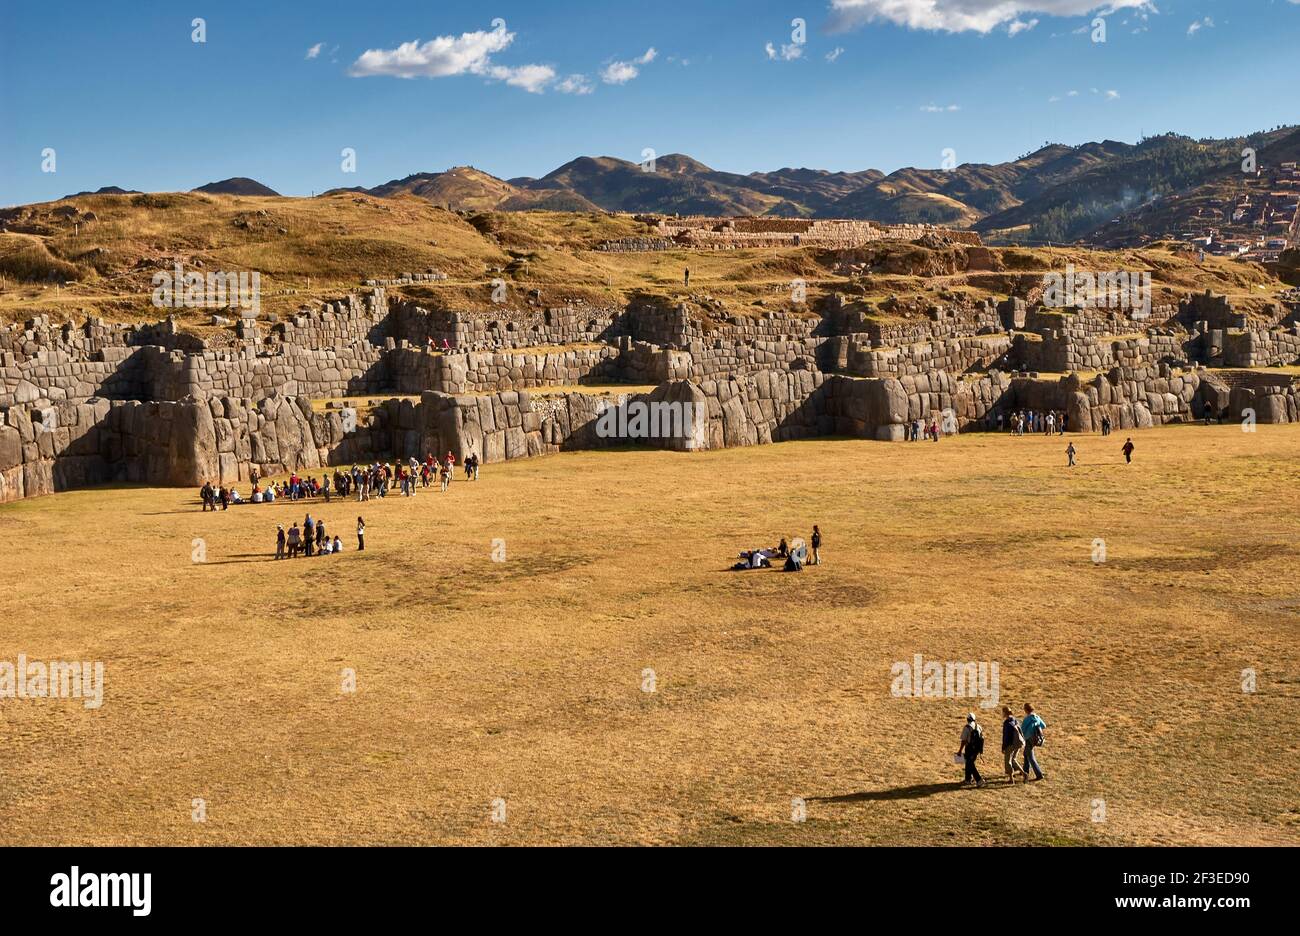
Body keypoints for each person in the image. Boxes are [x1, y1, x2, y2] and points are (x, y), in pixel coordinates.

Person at [957, 713, 987, 788]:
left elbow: (963, 740)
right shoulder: (978, 727)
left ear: (967, 719)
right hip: (976, 749)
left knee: (970, 764)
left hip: (969, 748)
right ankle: (968, 779)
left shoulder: (967, 727)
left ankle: (979, 780)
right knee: (969, 763)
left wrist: (960, 750)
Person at [1021, 703, 1047, 781]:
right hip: (1035, 739)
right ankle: (1025, 771)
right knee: (1026, 754)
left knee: (1031, 757)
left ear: (1026, 710)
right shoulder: (1037, 717)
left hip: (1029, 739)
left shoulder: (1027, 719)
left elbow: (1022, 730)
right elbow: (1044, 726)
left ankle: (1039, 774)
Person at [1001, 706, 1025, 783]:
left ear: (1005, 713)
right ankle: (1024, 774)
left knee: (1008, 761)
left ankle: (1011, 779)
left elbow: (1006, 736)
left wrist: (1004, 747)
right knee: (1014, 759)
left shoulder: (1006, 723)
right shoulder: (1015, 720)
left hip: (1010, 744)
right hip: (1018, 743)